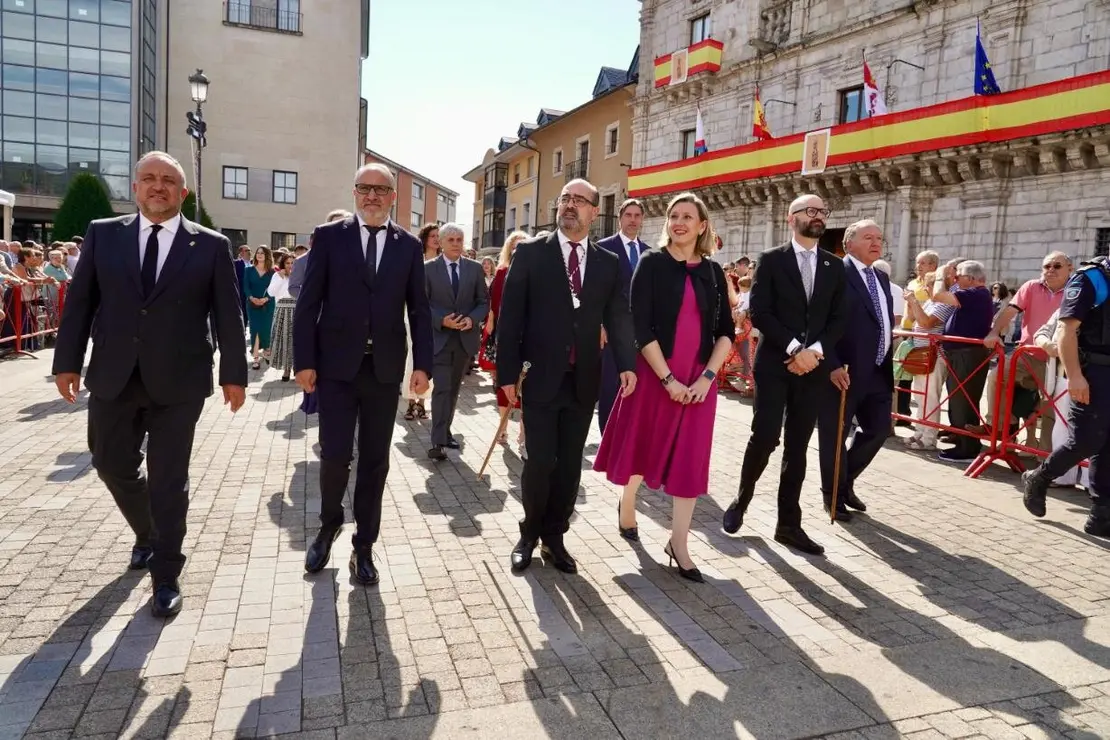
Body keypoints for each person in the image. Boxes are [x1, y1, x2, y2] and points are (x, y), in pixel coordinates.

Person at [51, 151, 247, 617]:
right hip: (114, 375)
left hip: (180, 381)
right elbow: (80, 303)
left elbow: (228, 314)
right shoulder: (103, 235)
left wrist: (234, 375)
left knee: (169, 479)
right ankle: (147, 533)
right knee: (109, 462)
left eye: (168, 181)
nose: (158, 187)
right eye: (149, 179)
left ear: (183, 193)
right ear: (135, 188)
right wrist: (67, 362)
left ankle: (166, 574)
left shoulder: (211, 245)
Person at [293, 163, 433, 585]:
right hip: (335, 368)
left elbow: (420, 309)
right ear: (355, 193)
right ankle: (329, 522)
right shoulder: (330, 237)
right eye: (364, 188)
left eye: (380, 190)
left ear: (393, 197)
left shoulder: (408, 246)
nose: (372, 196)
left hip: (384, 371)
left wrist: (423, 364)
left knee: (375, 461)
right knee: (335, 455)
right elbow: (308, 303)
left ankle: (365, 545)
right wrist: (304, 361)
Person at [496, 178, 636, 574]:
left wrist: (627, 363)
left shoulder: (608, 262)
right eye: (565, 199)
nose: (570, 205)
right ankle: (529, 533)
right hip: (539, 376)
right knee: (540, 460)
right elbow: (511, 319)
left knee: (571, 463)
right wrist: (507, 374)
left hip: (584, 378)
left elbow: (619, 316)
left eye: (580, 201)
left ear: (594, 211)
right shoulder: (531, 254)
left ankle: (555, 537)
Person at [593, 192, 733, 582]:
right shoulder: (652, 264)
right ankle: (627, 502)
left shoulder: (713, 272)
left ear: (702, 226)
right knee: (644, 447)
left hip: (699, 382)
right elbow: (642, 326)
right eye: (674, 215)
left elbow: (725, 332)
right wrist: (669, 379)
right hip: (657, 375)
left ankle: (679, 544)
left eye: (688, 216)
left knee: (689, 460)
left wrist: (707, 377)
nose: (679, 222)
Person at [720, 194, 847, 556]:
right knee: (765, 435)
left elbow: (839, 319)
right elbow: (760, 311)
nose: (819, 216)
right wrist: (795, 349)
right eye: (811, 211)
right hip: (776, 363)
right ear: (792, 219)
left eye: (823, 210)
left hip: (813, 368)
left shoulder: (834, 266)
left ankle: (788, 524)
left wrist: (815, 353)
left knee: (798, 444)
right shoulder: (772, 260)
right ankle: (741, 500)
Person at [1022, 257, 1110, 537]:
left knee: (1107, 445)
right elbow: (1066, 331)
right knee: (1085, 440)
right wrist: (1074, 376)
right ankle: (1040, 477)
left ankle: (1101, 514)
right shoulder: (1091, 278)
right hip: (1093, 371)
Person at [816, 220, 894, 521]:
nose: (876, 242)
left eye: (879, 237)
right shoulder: (833, 273)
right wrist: (832, 365)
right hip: (843, 371)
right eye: (868, 237)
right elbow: (819, 324)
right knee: (834, 436)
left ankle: (844, 482)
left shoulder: (881, 277)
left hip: (877, 369)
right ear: (848, 243)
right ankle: (832, 496)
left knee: (878, 430)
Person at [425, 223, 489, 460]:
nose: (455, 244)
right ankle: (437, 441)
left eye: (459, 240)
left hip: (464, 341)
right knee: (441, 388)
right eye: (450, 240)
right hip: (439, 339)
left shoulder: (474, 269)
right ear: (440, 242)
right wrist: (442, 320)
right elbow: (421, 305)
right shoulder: (428, 269)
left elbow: (483, 301)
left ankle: (445, 431)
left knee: (453, 390)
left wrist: (472, 320)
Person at [289, 209, 349, 416]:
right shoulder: (304, 260)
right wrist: (313, 300)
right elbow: (294, 287)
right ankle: (313, 400)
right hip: (316, 319)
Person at [596, 198, 648, 433]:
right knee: (609, 388)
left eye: (637, 216)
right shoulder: (603, 247)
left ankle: (630, 439)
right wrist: (598, 323)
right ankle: (608, 437)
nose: (633, 220)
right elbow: (592, 290)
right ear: (620, 218)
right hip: (611, 332)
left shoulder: (649, 253)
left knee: (638, 387)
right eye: (629, 215)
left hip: (642, 335)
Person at [481, 231, 530, 449]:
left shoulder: (535, 274)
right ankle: (502, 428)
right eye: (514, 247)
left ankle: (524, 431)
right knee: (505, 384)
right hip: (506, 338)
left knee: (528, 386)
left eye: (523, 247)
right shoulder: (501, 274)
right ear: (509, 250)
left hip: (531, 339)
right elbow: (493, 308)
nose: (518, 251)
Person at [402, 223, 441, 420]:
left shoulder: (444, 263)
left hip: (437, 318)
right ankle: (410, 402)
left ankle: (423, 403)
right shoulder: (414, 259)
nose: (436, 238)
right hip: (414, 315)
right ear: (425, 238)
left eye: (438, 235)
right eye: (432, 235)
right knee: (413, 357)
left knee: (429, 358)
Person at [244, 245, 275, 370]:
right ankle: (256, 357)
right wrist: (252, 298)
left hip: (268, 305)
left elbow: (274, 289)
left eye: (262, 253)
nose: (259, 255)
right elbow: (246, 287)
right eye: (258, 253)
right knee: (254, 330)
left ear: (267, 255)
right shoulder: (249, 270)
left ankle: (267, 351)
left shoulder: (273, 272)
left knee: (266, 329)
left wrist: (266, 299)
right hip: (252, 305)